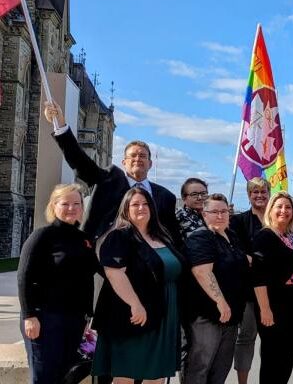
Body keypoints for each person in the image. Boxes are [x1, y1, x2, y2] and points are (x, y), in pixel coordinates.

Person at [44, 102, 181, 246]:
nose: (137, 159)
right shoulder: (108, 180)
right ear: (124, 163)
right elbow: (80, 162)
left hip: (150, 262)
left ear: (150, 163)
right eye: (132, 156)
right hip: (107, 257)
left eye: (142, 156)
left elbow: (173, 237)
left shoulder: (166, 197)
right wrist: (60, 125)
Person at [91, 187, 186, 383]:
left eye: (145, 204)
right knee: (126, 373)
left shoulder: (162, 236)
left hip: (164, 313)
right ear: (125, 209)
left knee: (156, 373)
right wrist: (135, 304)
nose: (141, 208)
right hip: (133, 314)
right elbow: (114, 273)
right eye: (135, 204)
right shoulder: (119, 236)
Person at [18, 183, 97, 384]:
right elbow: (24, 276)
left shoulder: (84, 239)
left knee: (66, 376)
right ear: (54, 206)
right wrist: (29, 316)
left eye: (76, 203)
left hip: (74, 320)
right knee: (44, 376)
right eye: (65, 203)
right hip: (44, 318)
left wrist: (87, 316)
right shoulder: (42, 236)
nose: (72, 208)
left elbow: (89, 276)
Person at [183, 194, 250, 384]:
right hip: (209, 315)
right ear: (204, 214)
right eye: (214, 212)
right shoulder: (201, 237)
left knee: (221, 368)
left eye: (224, 211)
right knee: (200, 366)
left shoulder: (232, 237)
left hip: (232, 316)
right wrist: (221, 302)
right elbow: (202, 272)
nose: (220, 215)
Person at [251, 192, 293, 384]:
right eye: (279, 207)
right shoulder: (264, 236)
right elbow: (258, 277)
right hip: (275, 306)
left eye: (288, 207)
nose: (284, 211)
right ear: (271, 210)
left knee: (287, 356)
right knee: (272, 358)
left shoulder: (291, 236)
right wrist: (265, 310)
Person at [228, 177, 270, 384]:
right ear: (249, 195)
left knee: (272, 342)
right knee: (246, 339)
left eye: (263, 192)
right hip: (248, 292)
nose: (260, 195)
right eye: (255, 192)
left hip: (275, 291)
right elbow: (237, 252)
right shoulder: (238, 221)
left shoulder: (277, 219)